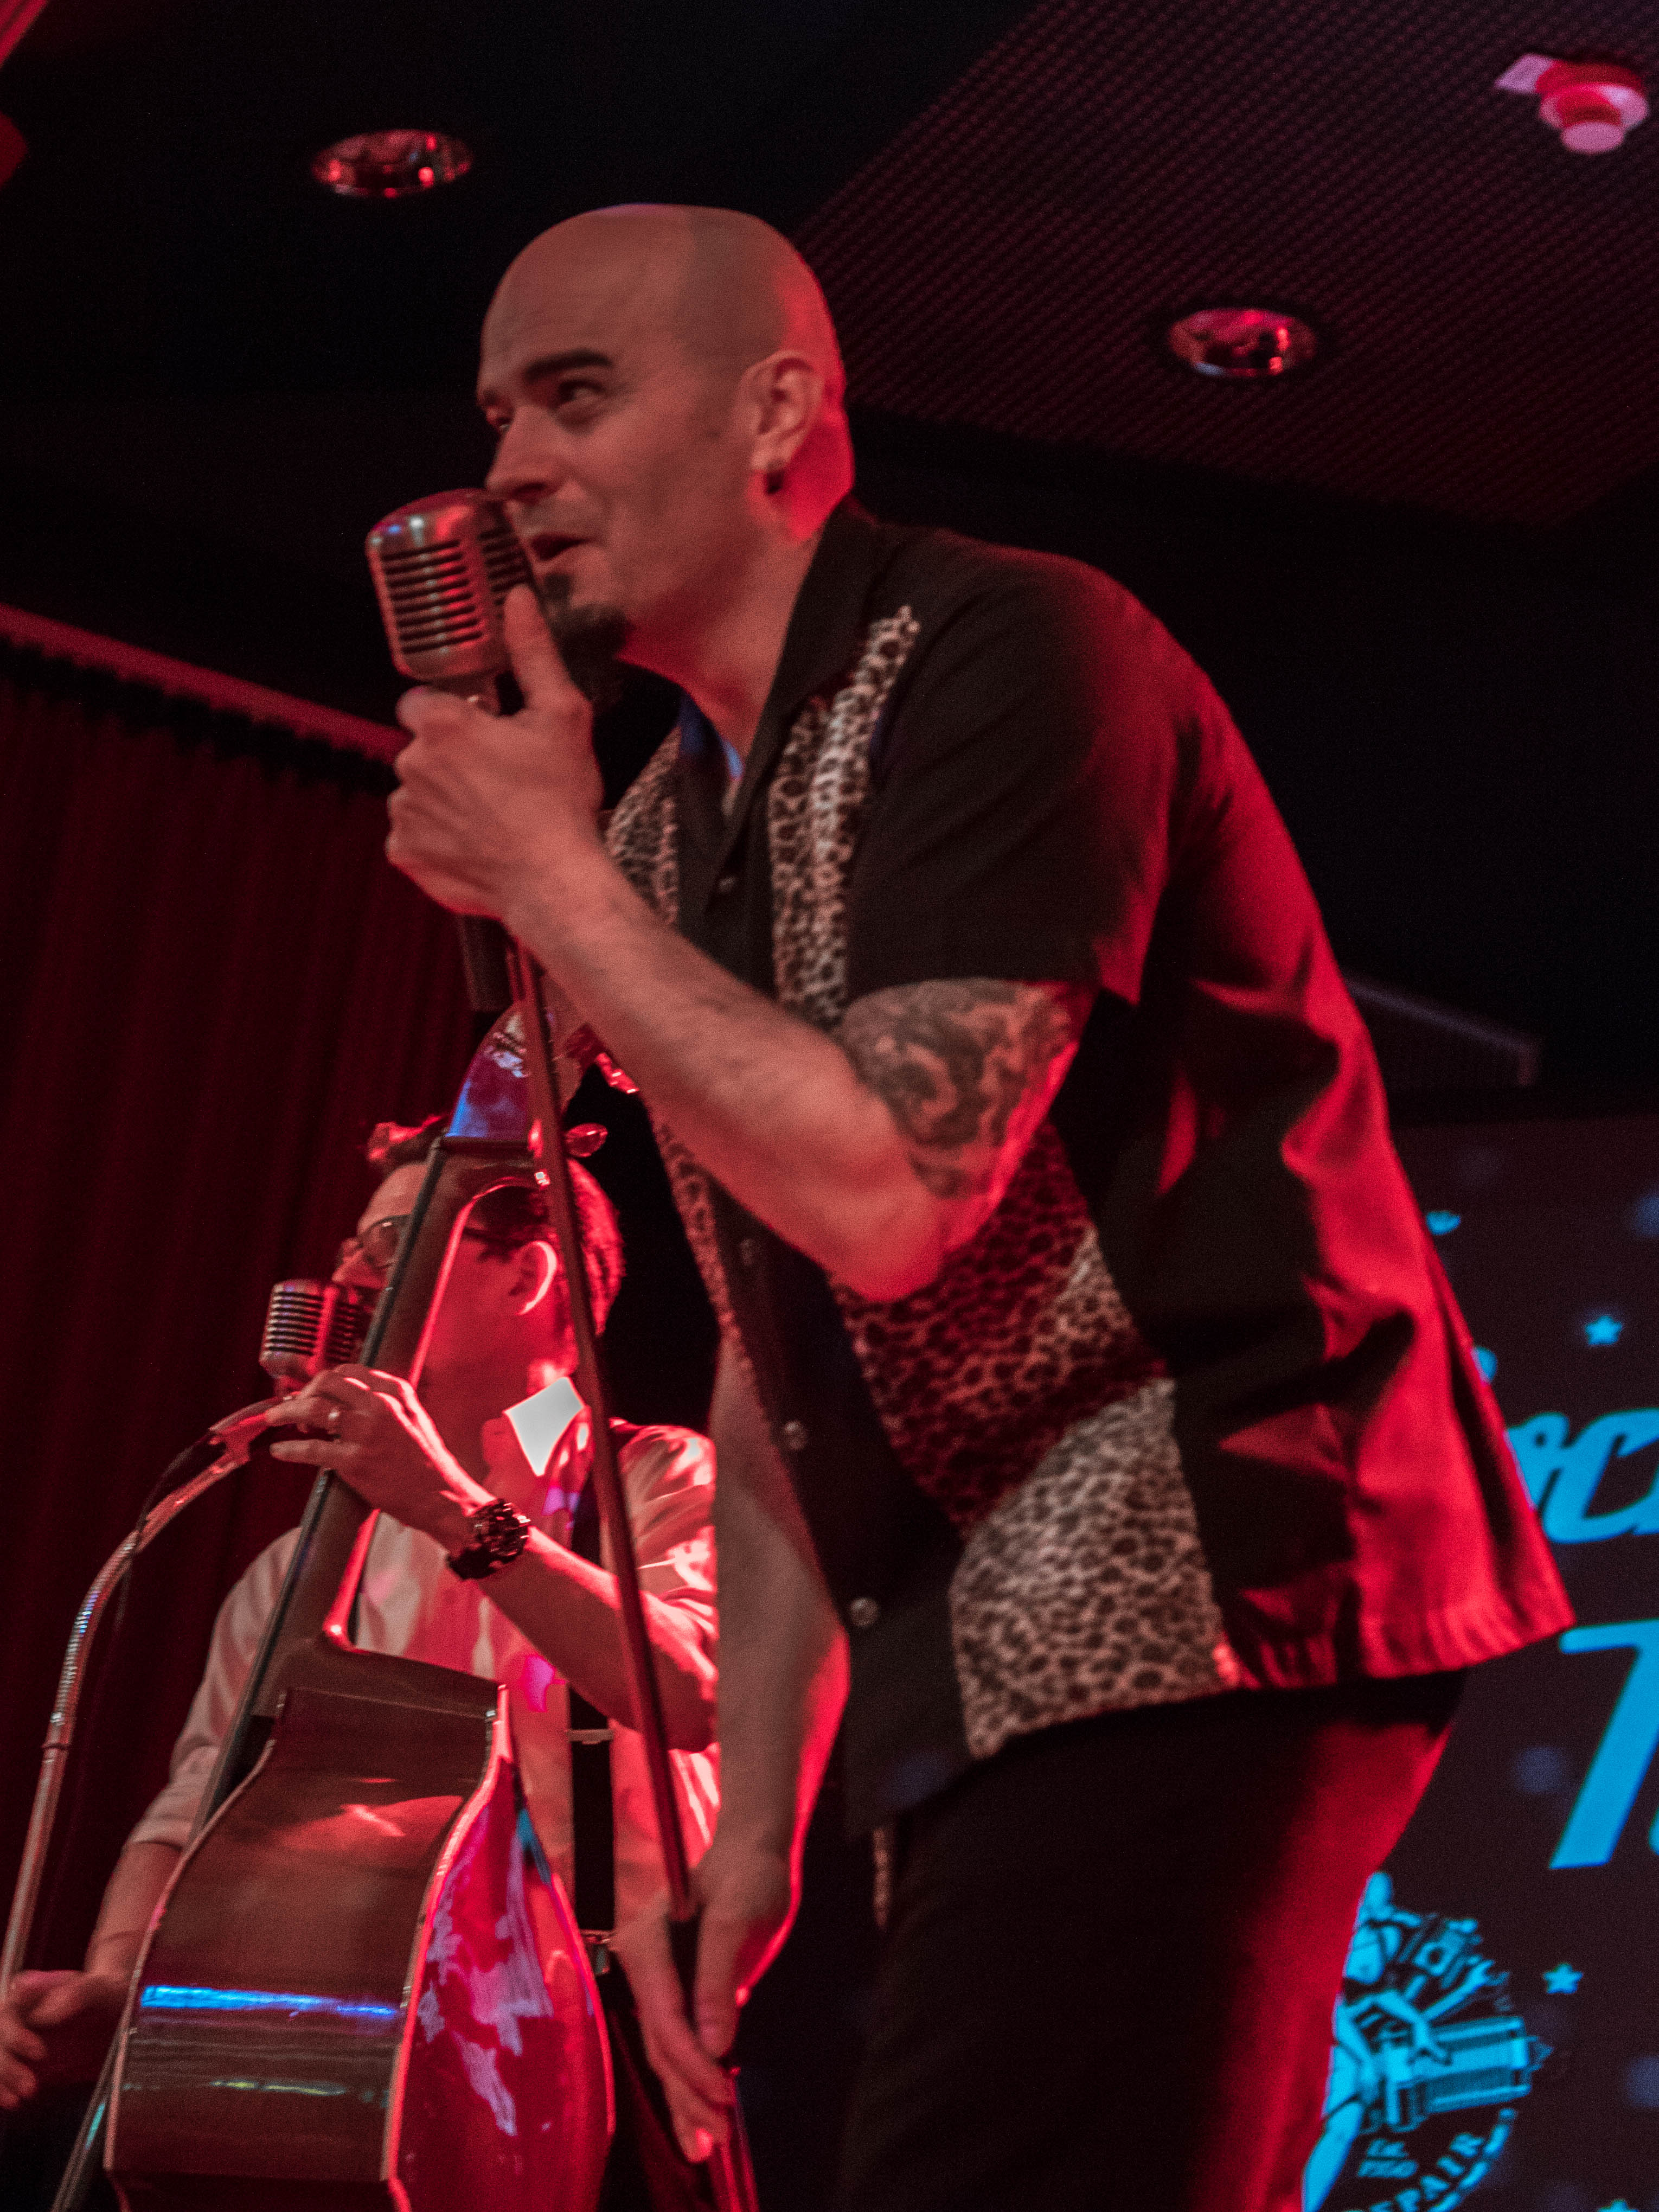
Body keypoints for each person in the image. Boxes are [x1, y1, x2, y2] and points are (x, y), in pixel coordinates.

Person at [379, 203, 1573, 2212]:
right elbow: (784, 1334)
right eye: (498, 415)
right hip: (969, 1621)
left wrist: (549, 884)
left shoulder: (1012, 650)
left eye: (576, 396)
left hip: (1207, 1559)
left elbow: (887, 1196)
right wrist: (753, 1819)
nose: (513, 469)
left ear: (776, 412)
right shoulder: (662, 831)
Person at [0, 1116, 720, 2211]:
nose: (345, 1277)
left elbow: (687, 1690)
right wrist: (121, 1987)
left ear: (528, 1274)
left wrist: (450, 1506)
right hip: (337, 2044)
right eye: (351, 1246)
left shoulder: (656, 1476)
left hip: (601, 2035)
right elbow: (194, 1809)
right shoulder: (299, 1565)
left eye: (389, 1244)